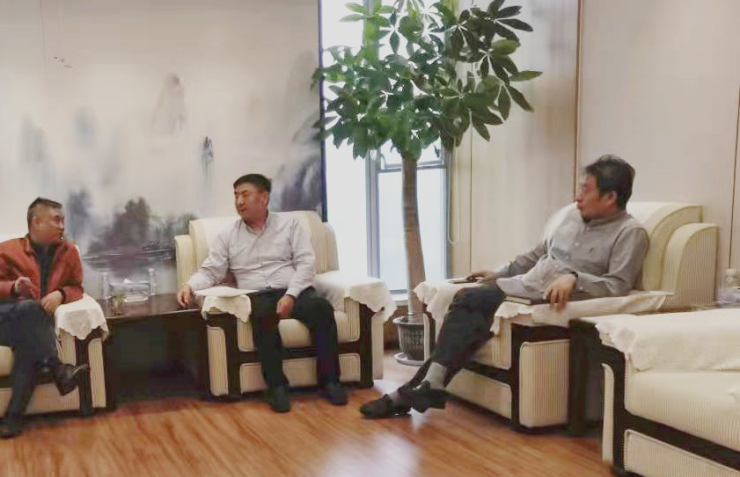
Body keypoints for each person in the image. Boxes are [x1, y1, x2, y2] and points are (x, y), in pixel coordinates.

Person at [362, 155, 649, 419]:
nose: (578, 197)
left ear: (610, 197)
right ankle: (426, 386)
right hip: (521, 287)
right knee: (468, 308)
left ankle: (411, 392)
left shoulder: (630, 233)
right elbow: (537, 255)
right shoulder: (571, 217)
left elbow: (618, 286)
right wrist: (498, 273)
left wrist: (575, 278)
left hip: (546, 301)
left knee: (469, 302)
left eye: (586, 190)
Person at [176, 173, 346, 413]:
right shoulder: (228, 236)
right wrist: (189, 286)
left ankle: (330, 381)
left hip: (294, 289)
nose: (239, 202)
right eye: (236, 196)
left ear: (264, 198)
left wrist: (290, 296)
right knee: (263, 315)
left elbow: (306, 264)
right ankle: (277, 386)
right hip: (257, 294)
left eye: (245, 195)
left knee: (322, 308)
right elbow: (211, 271)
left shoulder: (290, 226)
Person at [0, 197, 90, 439]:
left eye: (63, 220)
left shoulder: (69, 252)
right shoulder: (7, 250)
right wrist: (14, 287)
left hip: (34, 327)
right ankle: (58, 367)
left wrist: (61, 294)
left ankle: (13, 418)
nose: (62, 226)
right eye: (56, 220)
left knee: (28, 348)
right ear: (36, 222)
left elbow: (77, 287)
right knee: (30, 308)